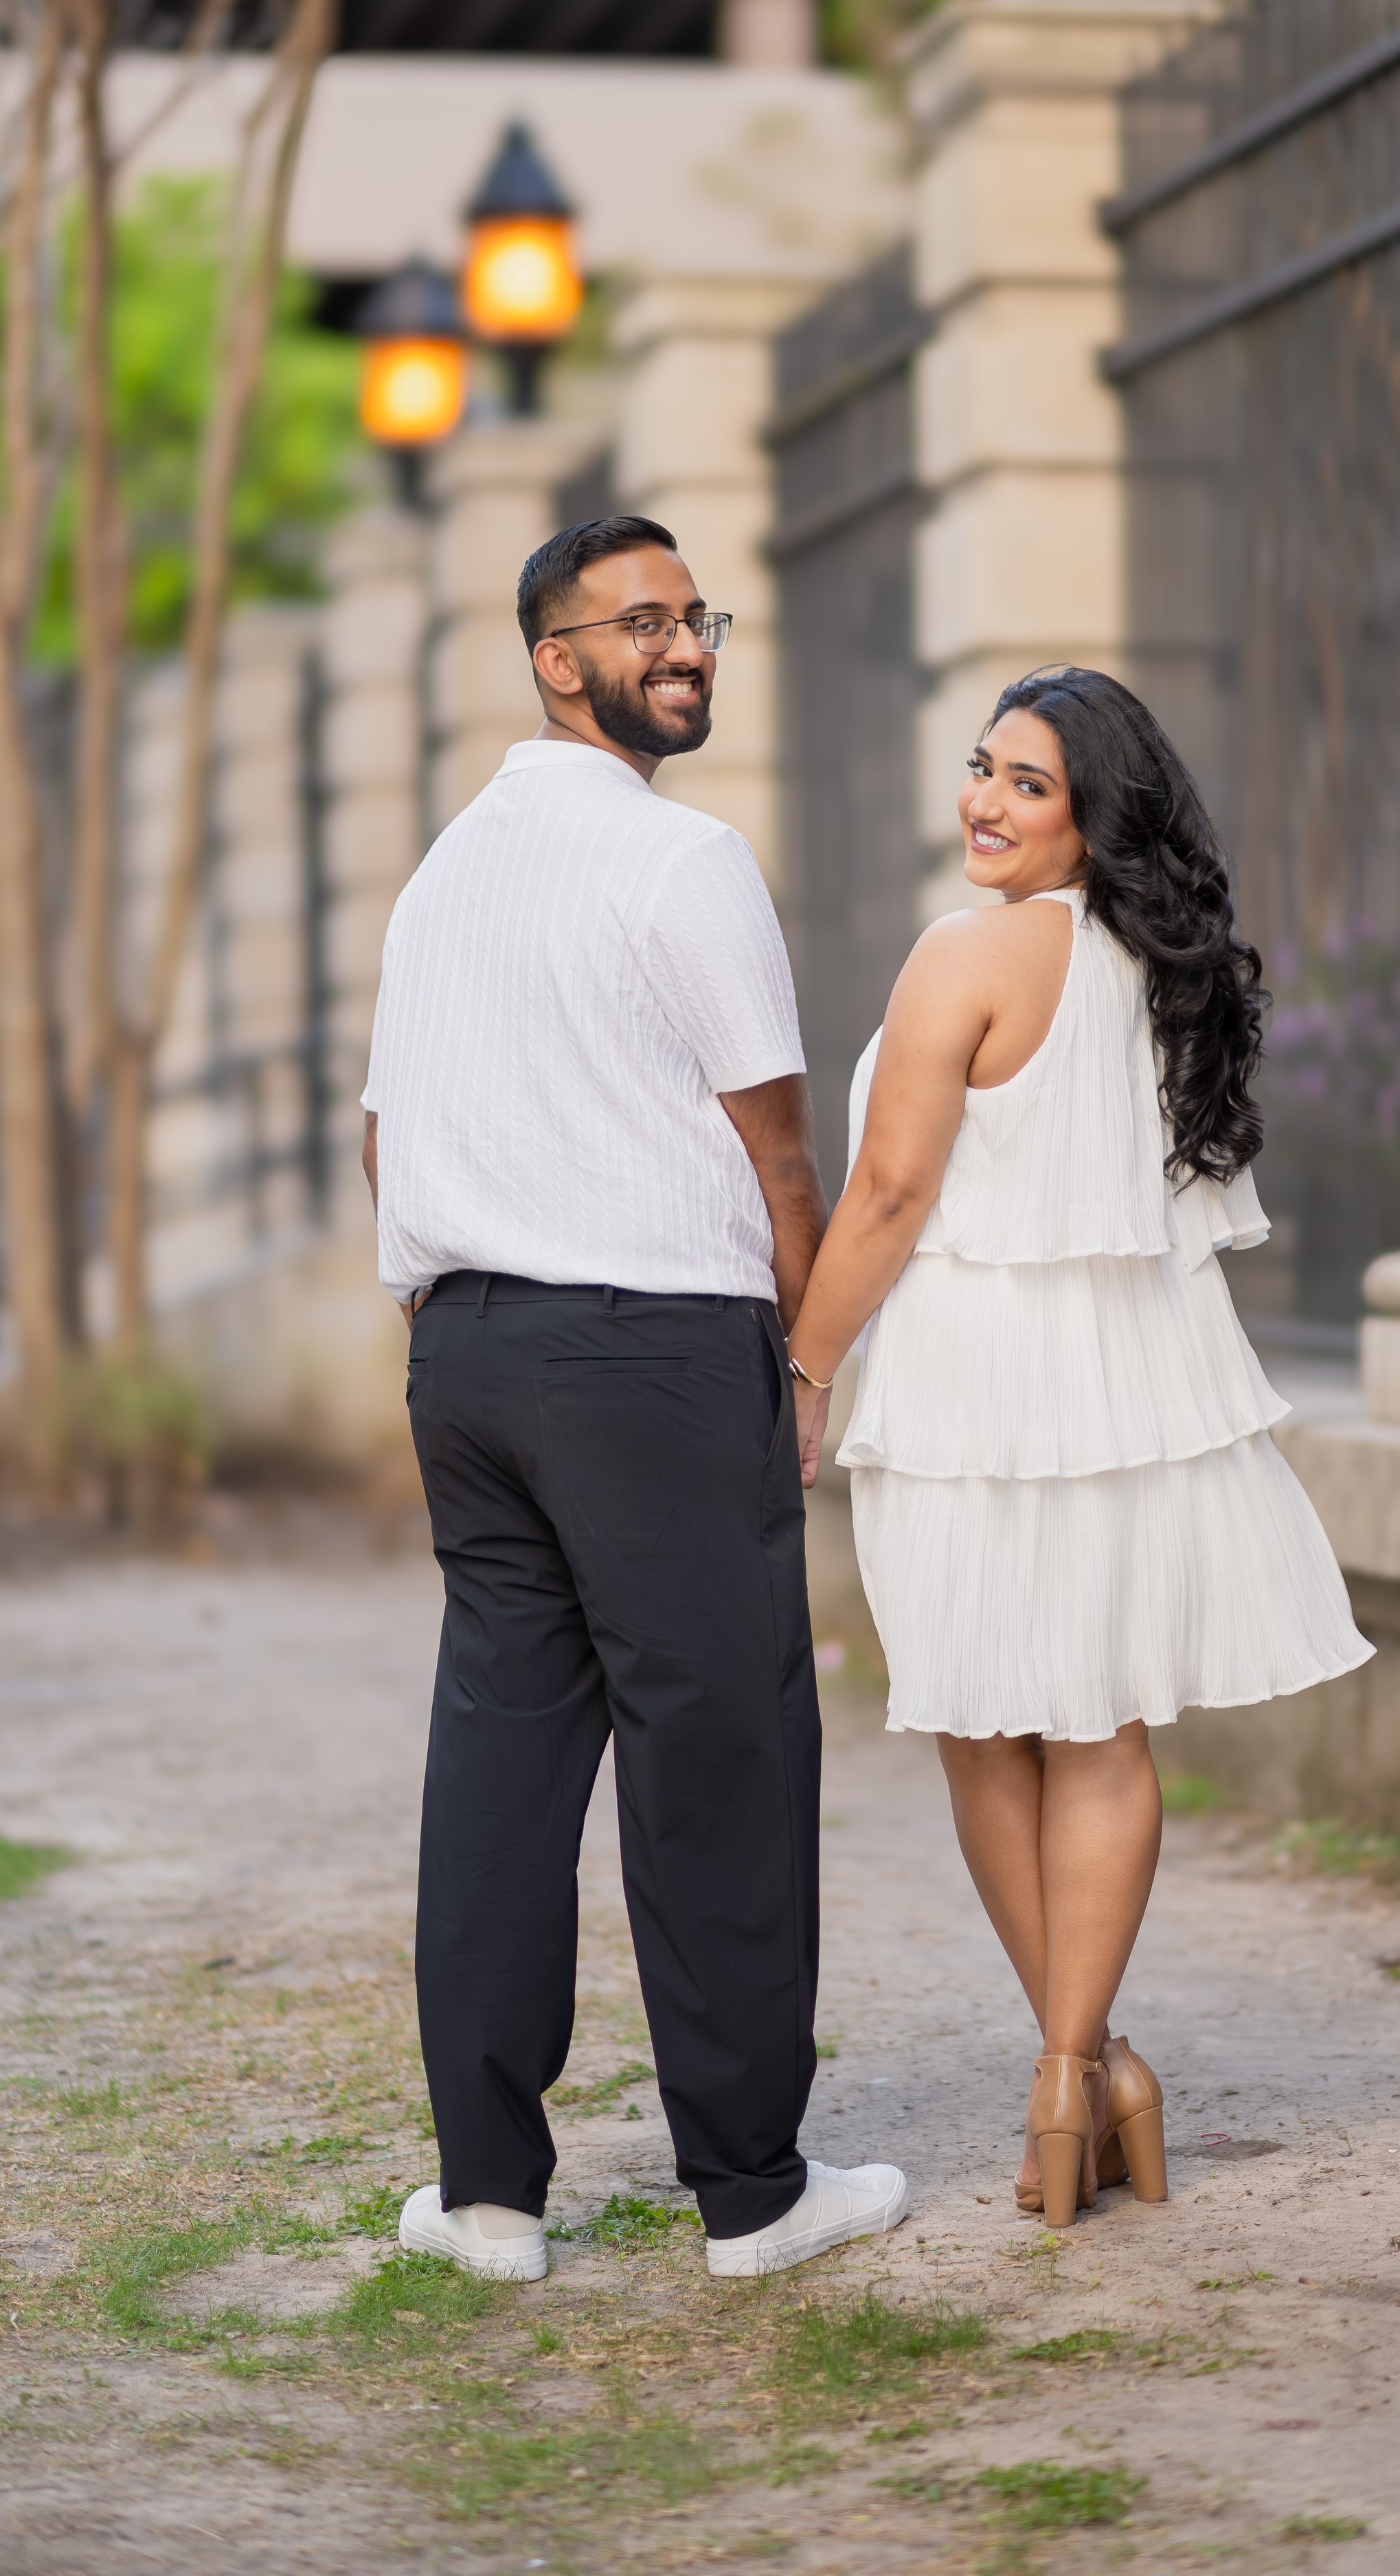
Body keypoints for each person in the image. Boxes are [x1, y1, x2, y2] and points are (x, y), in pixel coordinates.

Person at [360, 515, 907, 2282]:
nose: (684, 646)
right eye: (641, 621)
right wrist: (802, 1355)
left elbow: (381, 1136)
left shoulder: (443, 873)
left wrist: (454, 1337)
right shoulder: (684, 865)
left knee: (501, 1762)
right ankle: (751, 2196)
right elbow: (776, 1147)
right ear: (550, 654)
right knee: (718, 1752)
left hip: (470, 1354)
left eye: (697, 617)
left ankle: (488, 2201)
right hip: (655, 1357)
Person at [784, 666, 1372, 2231]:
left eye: (1026, 783)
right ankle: (1087, 2069)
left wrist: (801, 1364)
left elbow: (890, 1198)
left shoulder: (963, 954)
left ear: (1091, 816)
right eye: (980, 768)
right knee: (1097, 1735)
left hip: (971, 1395)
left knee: (990, 1733)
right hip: (1122, 1391)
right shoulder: (1162, 975)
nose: (981, 799)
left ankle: (1067, 2076)